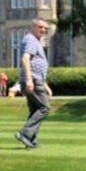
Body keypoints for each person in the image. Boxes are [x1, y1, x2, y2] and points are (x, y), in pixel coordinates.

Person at [15, 19, 53, 149]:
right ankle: (25, 134)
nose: (43, 30)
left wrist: (45, 85)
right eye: (40, 27)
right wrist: (30, 80)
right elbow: (25, 59)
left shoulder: (35, 41)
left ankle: (31, 140)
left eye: (46, 29)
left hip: (36, 80)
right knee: (45, 108)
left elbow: (37, 64)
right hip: (33, 80)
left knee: (35, 110)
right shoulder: (31, 39)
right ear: (33, 27)